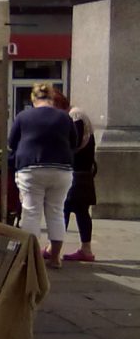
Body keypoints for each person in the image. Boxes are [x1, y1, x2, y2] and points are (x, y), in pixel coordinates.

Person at [8, 83, 77, 268]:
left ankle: (30, 258)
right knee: (56, 212)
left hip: (31, 168)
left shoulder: (23, 116)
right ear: (52, 98)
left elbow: (12, 142)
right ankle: (55, 258)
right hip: (61, 169)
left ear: (33, 98)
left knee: (30, 212)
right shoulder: (64, 117)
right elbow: (74, 142)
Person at [63, 99, 98, 262]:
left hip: (76, 173)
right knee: (80, 211)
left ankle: (52, 248)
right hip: (82, 172)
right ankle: (86, 249)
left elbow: (73, 143)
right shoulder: (78, 115)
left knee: (63, 209)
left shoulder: (75, 116)